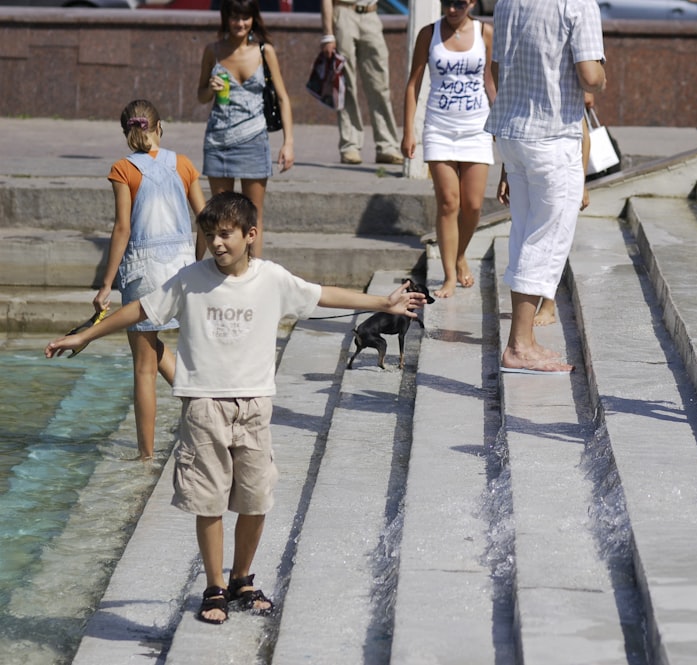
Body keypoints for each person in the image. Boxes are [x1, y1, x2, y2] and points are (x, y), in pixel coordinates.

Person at [44, 191, 426, 625]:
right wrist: (85, 335)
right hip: (203, 404)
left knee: (256, 497)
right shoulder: (191, 279)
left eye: (225, 234)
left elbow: (323, 295)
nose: (217, 243)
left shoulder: (272, 278)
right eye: (209, 235)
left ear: (250, 235)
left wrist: (383, 303)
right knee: (208, 500)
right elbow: (139, 309)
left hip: (255, 404)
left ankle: (241, 578)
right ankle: (213, 587)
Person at [485, 0, 605, 374]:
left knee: (523, 234)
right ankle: (519, 345)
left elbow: (498, 69)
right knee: (545, 239)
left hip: (513, 133)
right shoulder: (577, 4)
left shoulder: (507, 2)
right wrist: (602, 75)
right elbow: (589, 76)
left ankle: (523, 341)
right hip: (553, 136)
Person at [92, 99, 205, 461]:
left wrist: (107, 283)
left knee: (143, 365)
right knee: (156, 352)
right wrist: (199, 260)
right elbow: (205, 218)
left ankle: (145, 456)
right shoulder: (184, 164)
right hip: (182, 266)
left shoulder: (123, 169)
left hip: (143, 270)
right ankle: (200, 402)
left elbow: (123, 228)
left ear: (127, 133)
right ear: (161, 127)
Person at [401, 0, 495, 299]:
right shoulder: (429, 34)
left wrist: (501, 123)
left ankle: (460, 253)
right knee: (448, 203)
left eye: (457, 3)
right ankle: (450, 275)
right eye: (445, 2)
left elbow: (491, 83)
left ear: (471, 2)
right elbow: (413, 84)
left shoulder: (486, 32)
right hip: (439, 128)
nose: (451, 9)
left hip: (477, 127)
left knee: (473, 205)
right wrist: (408, 131)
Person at [198, 0, 294, 258]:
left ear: (254, 18)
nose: (240, 23)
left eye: (245, 17)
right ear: (225, 18)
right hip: (219, 142)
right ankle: (221, 272)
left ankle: (253, 276)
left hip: (253, 140)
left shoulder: (264, 51)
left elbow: (283, 98)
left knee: (253, 216)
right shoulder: (213, 51)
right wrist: (211, 88)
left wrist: (288, 142)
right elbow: (201, 96)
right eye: (235, 17)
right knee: (219, 214)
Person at [499, 113, 592, 327]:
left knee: (552, 240)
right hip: (526, 158)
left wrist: (582, 182)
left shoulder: (567, 94)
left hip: (561, 166)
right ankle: (529, 305)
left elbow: (585, 139)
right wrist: (505, 173)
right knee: (528, 235)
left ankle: (548, 305)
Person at [321, 0, 405, 166]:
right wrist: (328, 34)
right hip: (343, 12)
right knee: (345, 85)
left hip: (371, 14)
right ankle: (350, 144)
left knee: (380, 85)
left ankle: (387, 145)